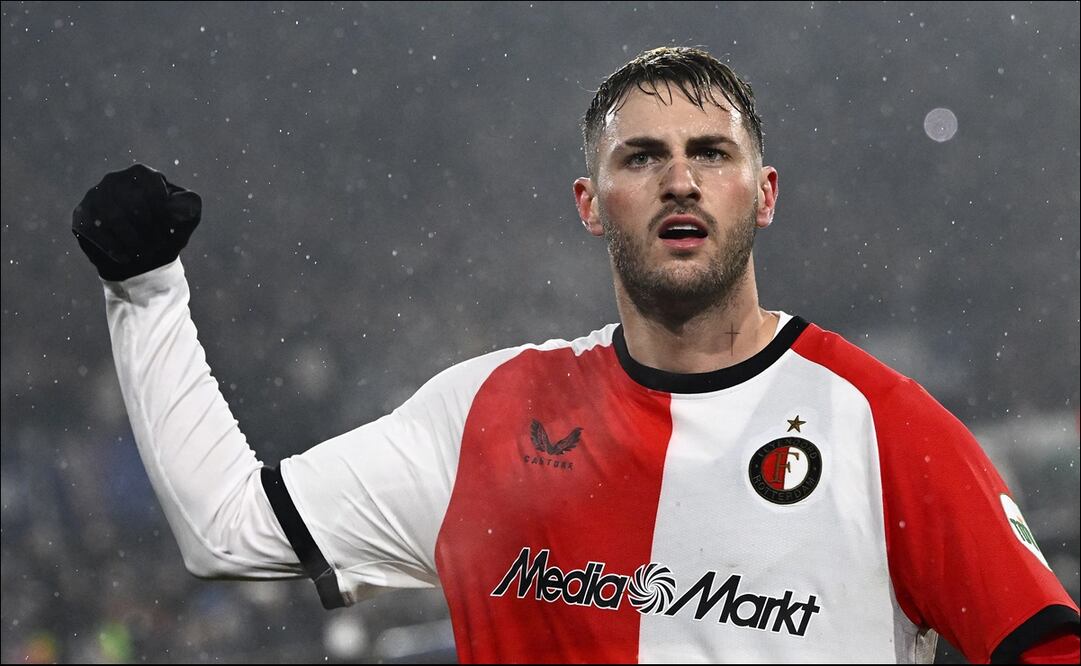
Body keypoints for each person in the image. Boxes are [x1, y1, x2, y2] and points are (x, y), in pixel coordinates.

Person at [71, 46, 1078, 664]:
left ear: (761, 193)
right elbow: (227, 530)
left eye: (709, 155)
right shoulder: (483, 417)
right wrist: (146, 291)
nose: (679, 181)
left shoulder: (883, 426)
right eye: (642, 157)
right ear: (591, 204)